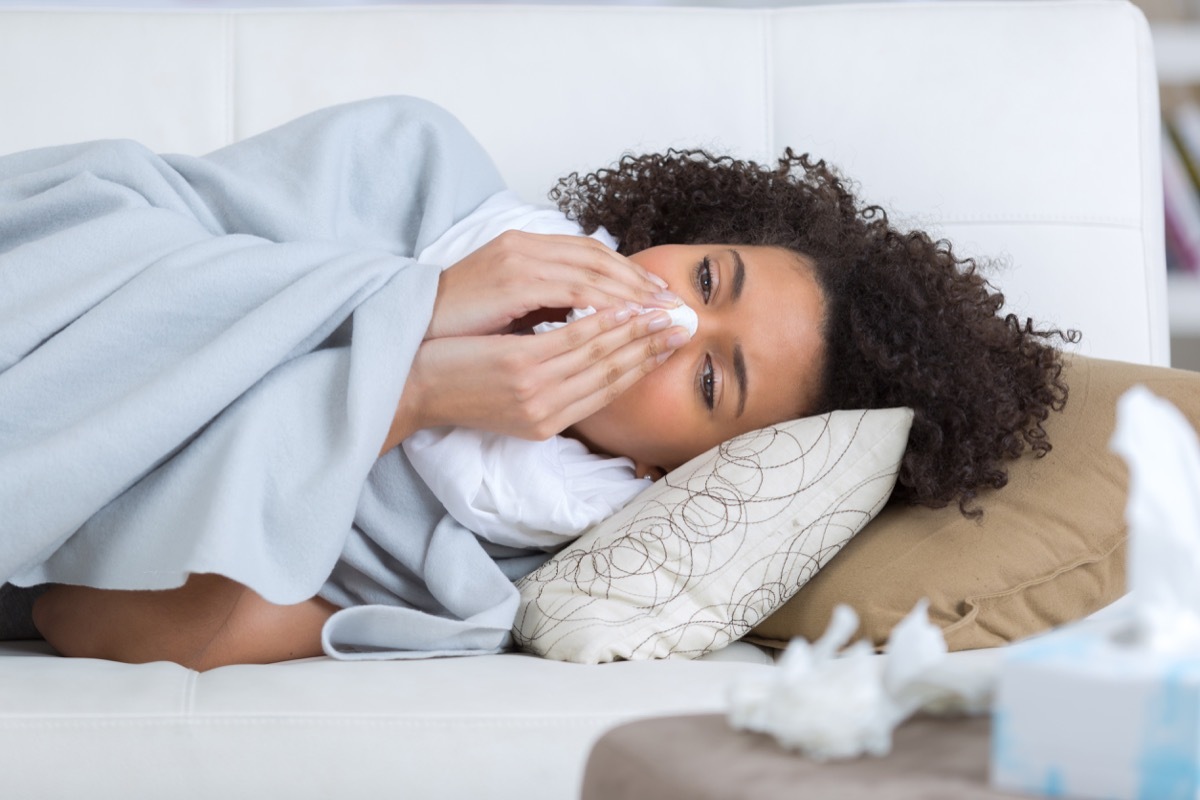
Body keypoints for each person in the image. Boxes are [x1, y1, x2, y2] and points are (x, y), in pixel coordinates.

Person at [2, 96, 1072, 669]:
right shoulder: (415, 164)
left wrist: (408, 392)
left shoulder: (488, 568)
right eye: (707, 277)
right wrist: (413, 297)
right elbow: (102, 227)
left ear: (664, 470)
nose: (671, 319)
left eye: (711, 378)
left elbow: (85, 613)